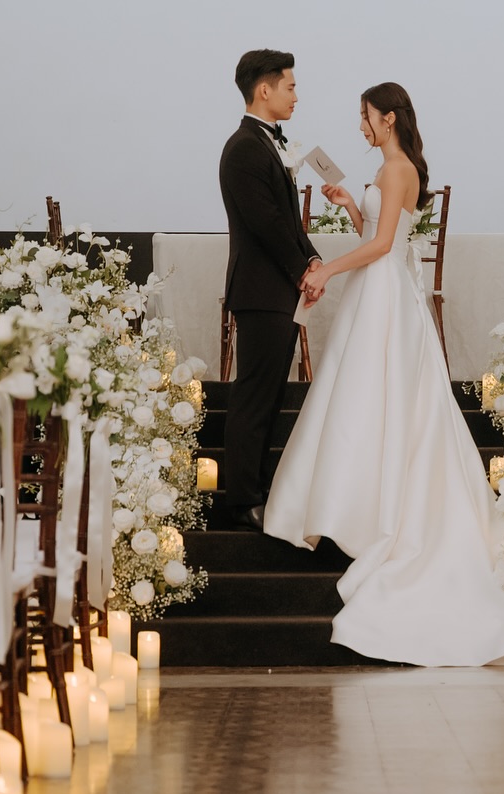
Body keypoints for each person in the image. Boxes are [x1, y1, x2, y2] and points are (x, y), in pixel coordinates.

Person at [264, 82, 504, 667]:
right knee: (371, 397)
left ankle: (368, 513)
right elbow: (379, 231)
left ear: (387, 119)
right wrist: (347, 205)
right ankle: (358, 504)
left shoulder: (395, 170)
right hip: (385, 293)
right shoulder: (398, 167)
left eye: (365, 118)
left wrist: (329, 269)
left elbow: (384, 244)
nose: (360, 127)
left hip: (382, 294)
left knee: (368, 396)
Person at [219, 49, 324, 532]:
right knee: (254, 396)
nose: (296, 95)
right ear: (265, 89)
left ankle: (258, 490)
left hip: (276, 289)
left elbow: (288, 220)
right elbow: (266, 222)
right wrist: (303, 264)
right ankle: (240, 500)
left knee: (270, 395)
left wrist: (313, 259)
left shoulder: (265, 144)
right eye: (291, 86)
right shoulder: (244, 147)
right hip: (261, 290)